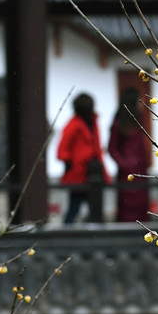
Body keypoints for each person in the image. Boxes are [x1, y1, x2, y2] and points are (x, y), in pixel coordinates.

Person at [57, 93, 110, 224]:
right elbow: (62, 151)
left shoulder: (91, 122)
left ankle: (75, 232)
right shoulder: (75, 125)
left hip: (91, 171)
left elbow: (96, 148)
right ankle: (70, 233)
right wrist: (73, 162)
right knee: (78, 206)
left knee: (89, 207)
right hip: (79, 173)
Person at [108, 88, 151, 223]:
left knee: (141, 204)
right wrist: (125, 163)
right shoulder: (119, 123)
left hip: (141, 170)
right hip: (127, 172)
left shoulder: (139, 120)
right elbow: (112, 148)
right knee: (127, 204)